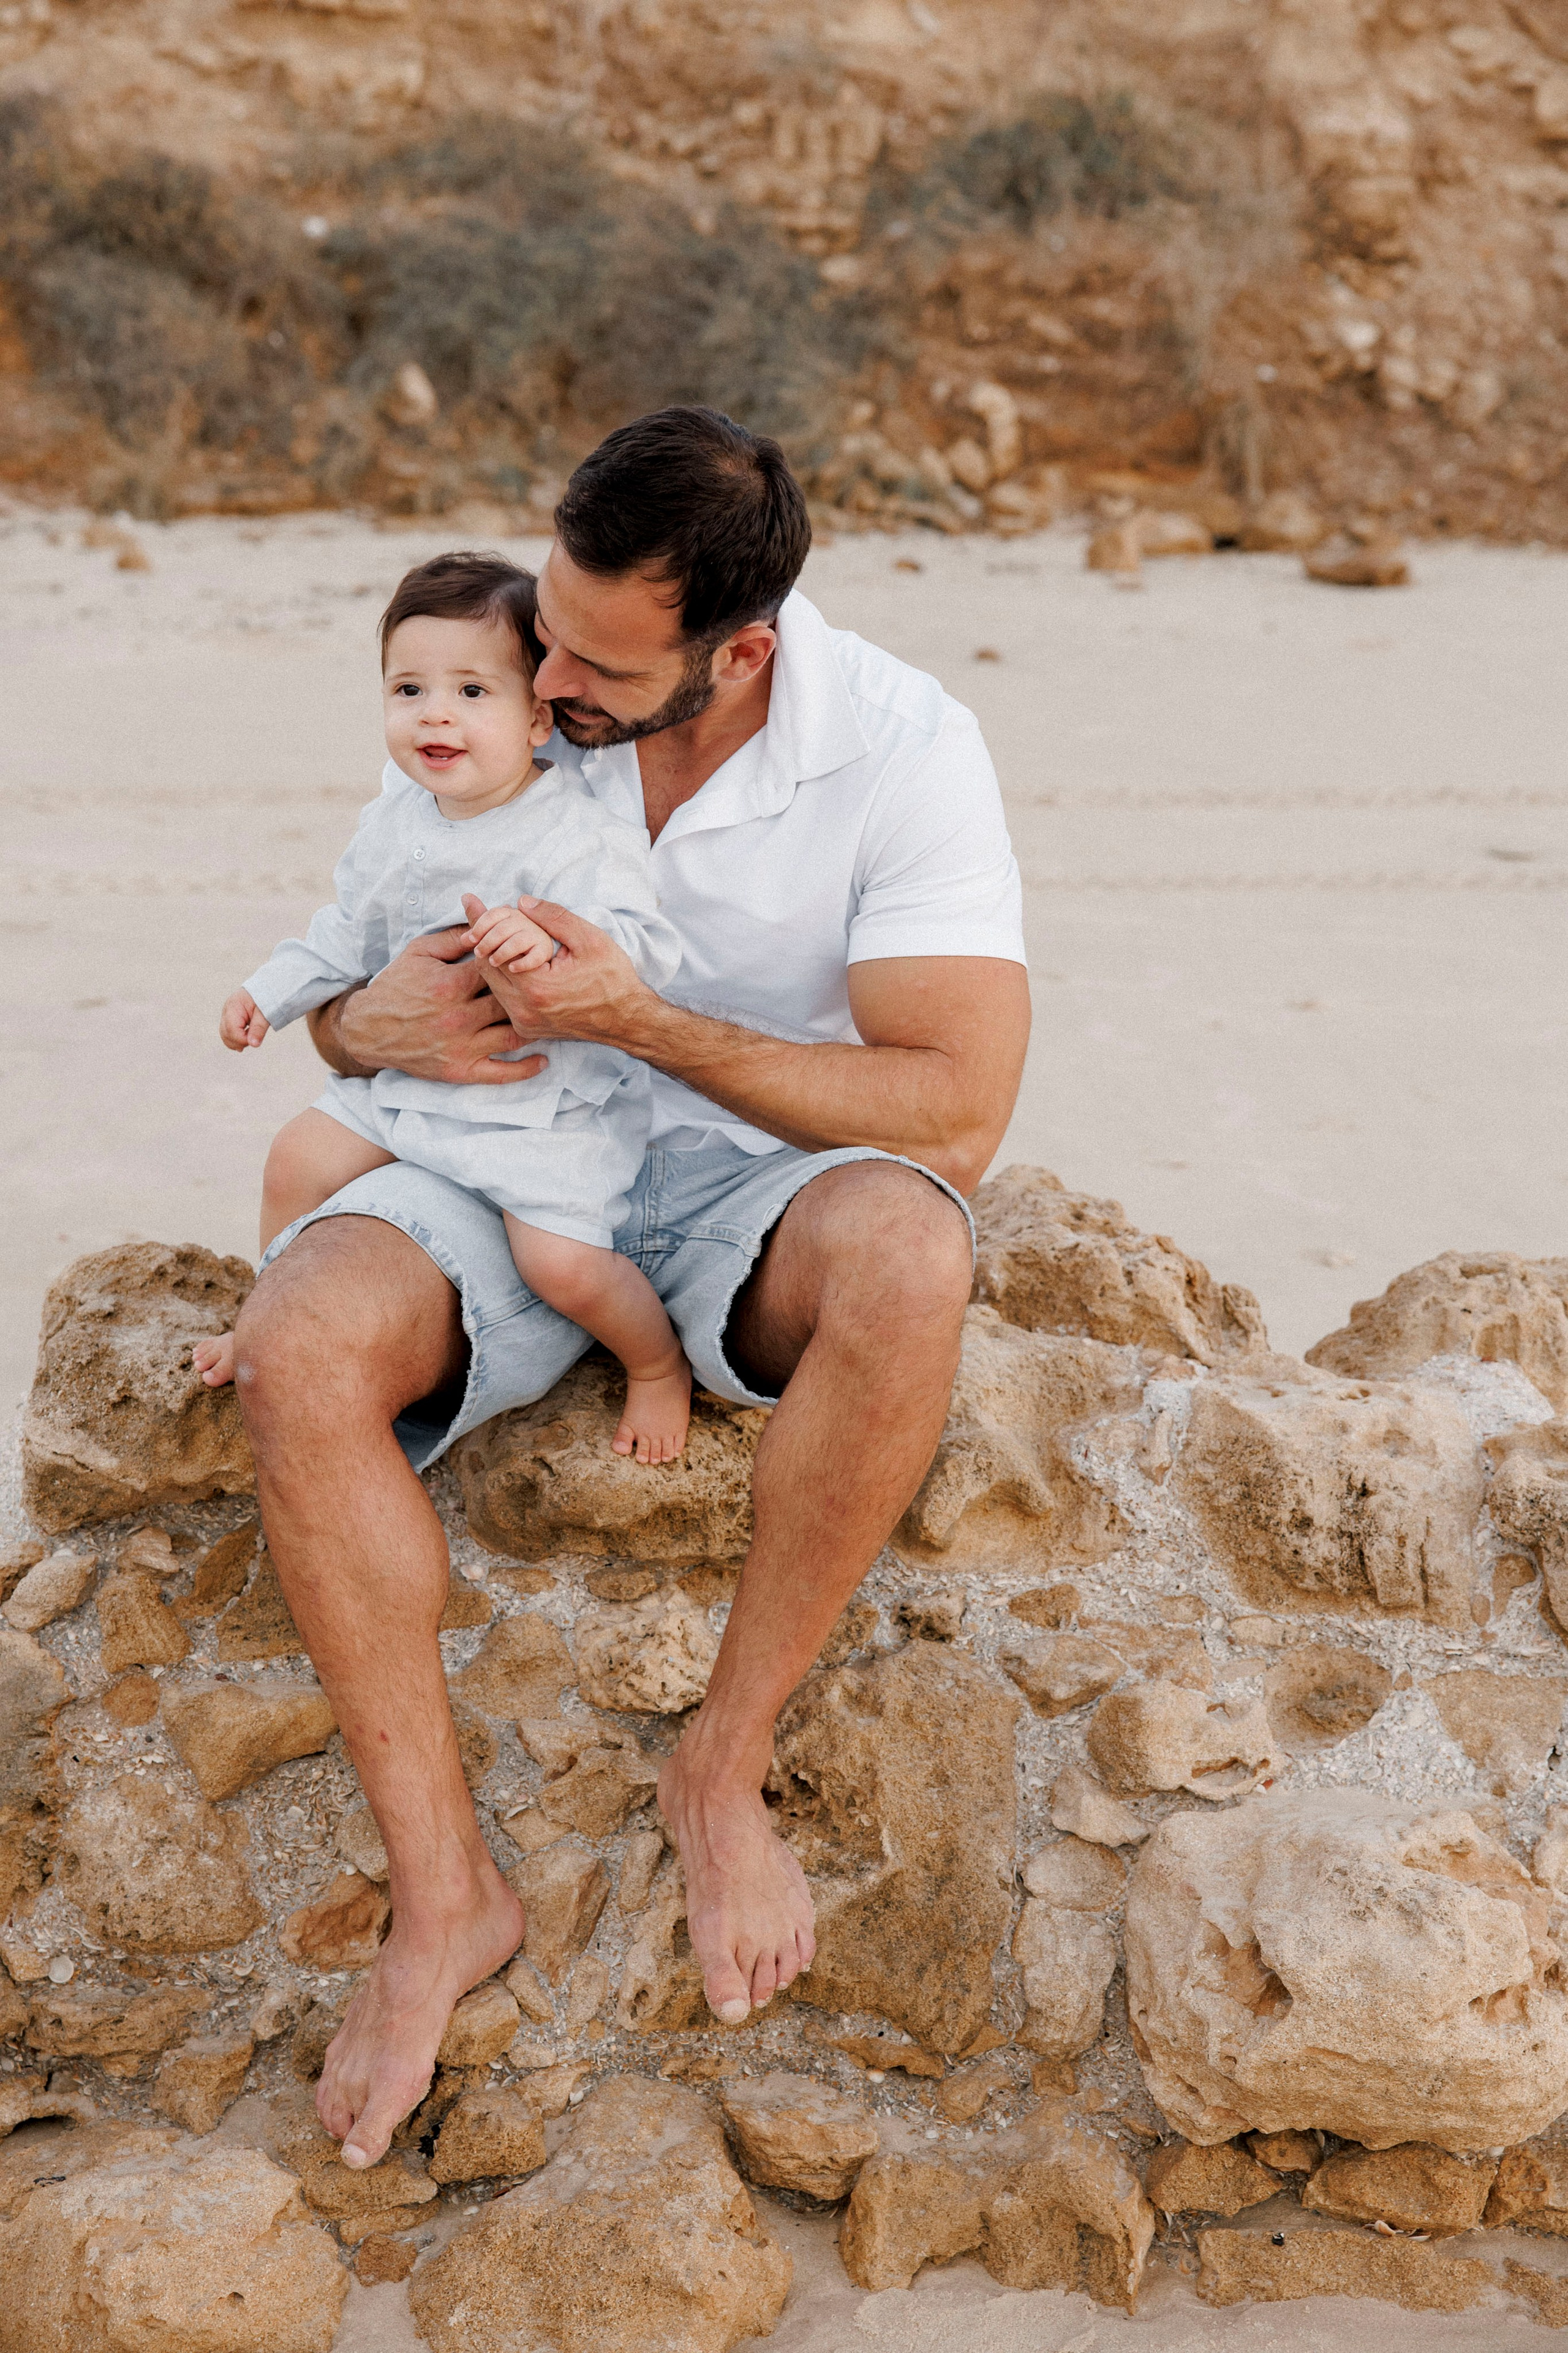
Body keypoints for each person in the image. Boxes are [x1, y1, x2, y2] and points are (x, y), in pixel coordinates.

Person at [230, 404, 1031, 2170]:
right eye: (547, 627)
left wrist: (649, 1023)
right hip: (496, 1158)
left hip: (755, 1189)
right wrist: (361, 1024)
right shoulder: (514, 681)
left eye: (596, 662)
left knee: (912, 1249)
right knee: (293, 1345)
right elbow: (359, 957)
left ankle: (718, 1767)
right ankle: (446, 1894)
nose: (547, 677)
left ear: (737, 653)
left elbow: (957, 1111)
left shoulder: (903, 747)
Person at [195, 552, 692, 1464]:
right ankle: (263, 1315)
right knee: (297, 1158)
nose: (435, 713)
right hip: (415, 1084)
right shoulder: (398, 820)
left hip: (540, 1107)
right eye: (409, 689)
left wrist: (549, 938)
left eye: (471, 691)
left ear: (536, 716)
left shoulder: (577, 829)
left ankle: (656, 1363)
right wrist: (268, 992)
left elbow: (646, 947)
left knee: (563, 1264)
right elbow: (346, 931)